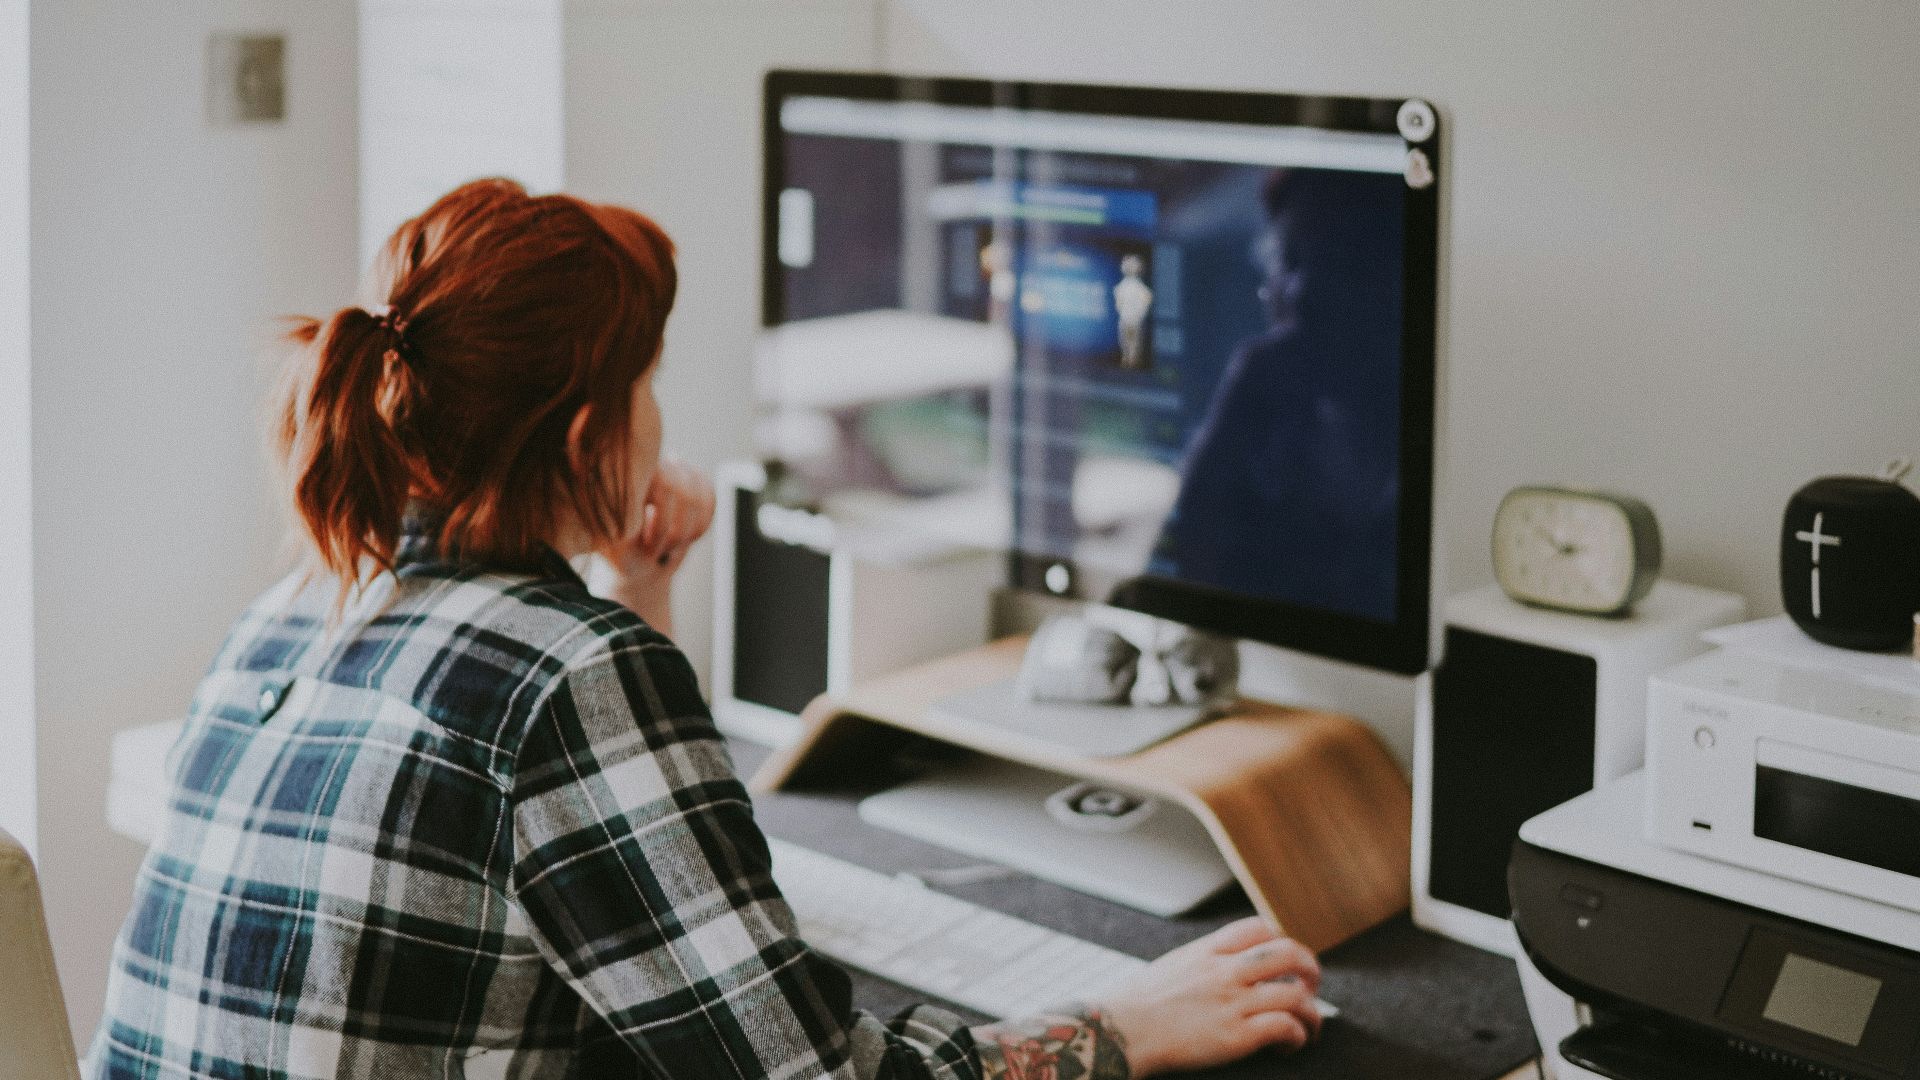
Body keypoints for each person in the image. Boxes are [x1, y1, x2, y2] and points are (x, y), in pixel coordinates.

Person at [86, 179, 1323, 1080]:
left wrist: (635, 585)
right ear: (589, 441)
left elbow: (590, 873)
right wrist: (1128, 1028)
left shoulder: (295, 606)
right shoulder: (570, 676)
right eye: (648, 384)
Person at [1155, 168, 1406, 622]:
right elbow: (1178, 560)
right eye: (1288, 260)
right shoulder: (1263, 387)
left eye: (1332, 260)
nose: (1301, 289)